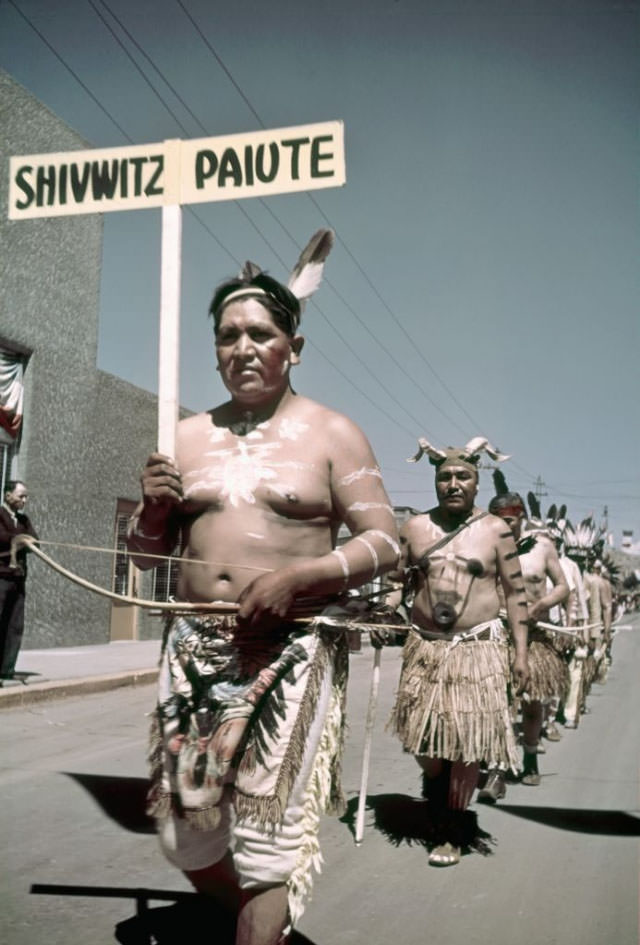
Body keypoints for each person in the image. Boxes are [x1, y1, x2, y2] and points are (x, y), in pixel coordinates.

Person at [126, 230, 400, 945]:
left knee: (266, 837)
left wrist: (301, 576)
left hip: (287, 654)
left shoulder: (332, 433)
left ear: (294, 347)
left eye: (260, 333)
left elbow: (384, 542)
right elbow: (147, 555)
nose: (242, 347)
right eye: (227, 335)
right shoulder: (182, 437)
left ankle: (260, 919)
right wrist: (153, 511)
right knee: (186, 828)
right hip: (190, 656)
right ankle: (250, 917)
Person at [386, 438, 529, 867]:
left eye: (462, 476)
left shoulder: (496, 531)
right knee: (426, 746)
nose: (453, 483)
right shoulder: (413, 529)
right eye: (444, 476)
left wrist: (520, 654)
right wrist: (386, 611)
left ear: (476, 481)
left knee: (466, 745)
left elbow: (516, 595)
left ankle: (452, 826)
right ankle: (437, 787)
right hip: (426, 649)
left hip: (479, 651)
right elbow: (396, 582)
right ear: (434, 479)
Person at [487, 492, 569, 787]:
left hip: (536, 636)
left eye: (509, 520)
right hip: (497, 634)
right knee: (500, 703)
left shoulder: (542, 548)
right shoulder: (486, 545)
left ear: (520, 516)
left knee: (533, 703)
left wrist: (540, 606)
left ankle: (530, 757)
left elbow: (563, 587)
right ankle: (499, 763)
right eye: (498, 521)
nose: (504, 526)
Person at [0, 480, 38, 683]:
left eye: (26, 496)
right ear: (8, 495)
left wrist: (21, 539)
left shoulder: (24, 520)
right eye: (21, 495)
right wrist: (21, 539)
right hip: (1, 577)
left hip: (18, 578)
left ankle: (6, 669)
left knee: (14, 625)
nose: (25, 500)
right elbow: (3, 538)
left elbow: (34, 539)